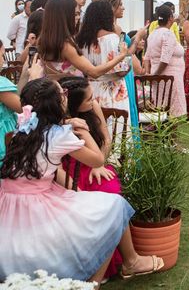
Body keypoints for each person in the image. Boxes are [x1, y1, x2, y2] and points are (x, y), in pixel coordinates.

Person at [0, 78, 164, 284]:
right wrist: (82, 130)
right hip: (36, 208)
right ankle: (93, 283)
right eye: (62, 94)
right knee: (114, 207)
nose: (65, 96)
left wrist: (66, 122)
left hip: (8, 206)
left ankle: (117, 268)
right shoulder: (59, 135)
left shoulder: (21, 128)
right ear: (58, 103)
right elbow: (98, 159)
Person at [59, 76, 123, 280]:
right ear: (73, 104)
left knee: (108, 189)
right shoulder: (60, 115)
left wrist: (100, 163)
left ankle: (108, 264)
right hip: (67, 168)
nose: (93, 100)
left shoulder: (94, 106)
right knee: (81, 202)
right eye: (88, 99)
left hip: (95, 161)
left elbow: (105, 139)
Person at [38, 0, 133, 80]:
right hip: (74, 93)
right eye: (75, 14)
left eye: (78, 14)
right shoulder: (66, 45)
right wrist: (122, 55)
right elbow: (94, 72)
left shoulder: (44, 40)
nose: (78, 18)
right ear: (63, 16)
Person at [101, 0, 145, 133]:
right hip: (121, 71)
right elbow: (125, 53)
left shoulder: (103, 28)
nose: (123, 8)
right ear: (112, 8)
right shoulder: (115, 29)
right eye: (120, 5)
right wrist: (138, 36)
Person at [75, 1, 131, 115]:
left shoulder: (81, 40)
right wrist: (127, 57)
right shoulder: (112, 38)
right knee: (116, 129)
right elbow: (122, 71)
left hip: (89, 91)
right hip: (111, 91)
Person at [143, 5, 187, 117]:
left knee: (162, 111)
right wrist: (155, 75)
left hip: (158, 78)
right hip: (169, 79)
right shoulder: (168, 34)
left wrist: (150, 74)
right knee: (172, 113)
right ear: (171, 18)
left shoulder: (152, 34)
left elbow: (147, 58)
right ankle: (171, 135)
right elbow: (165, 59)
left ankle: (165, 133)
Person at [0, 40, 20, 166]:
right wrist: (33, 77)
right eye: (2, 56)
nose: (3, 60)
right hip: (4, 141)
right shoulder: (1, 84)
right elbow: (24, 107)